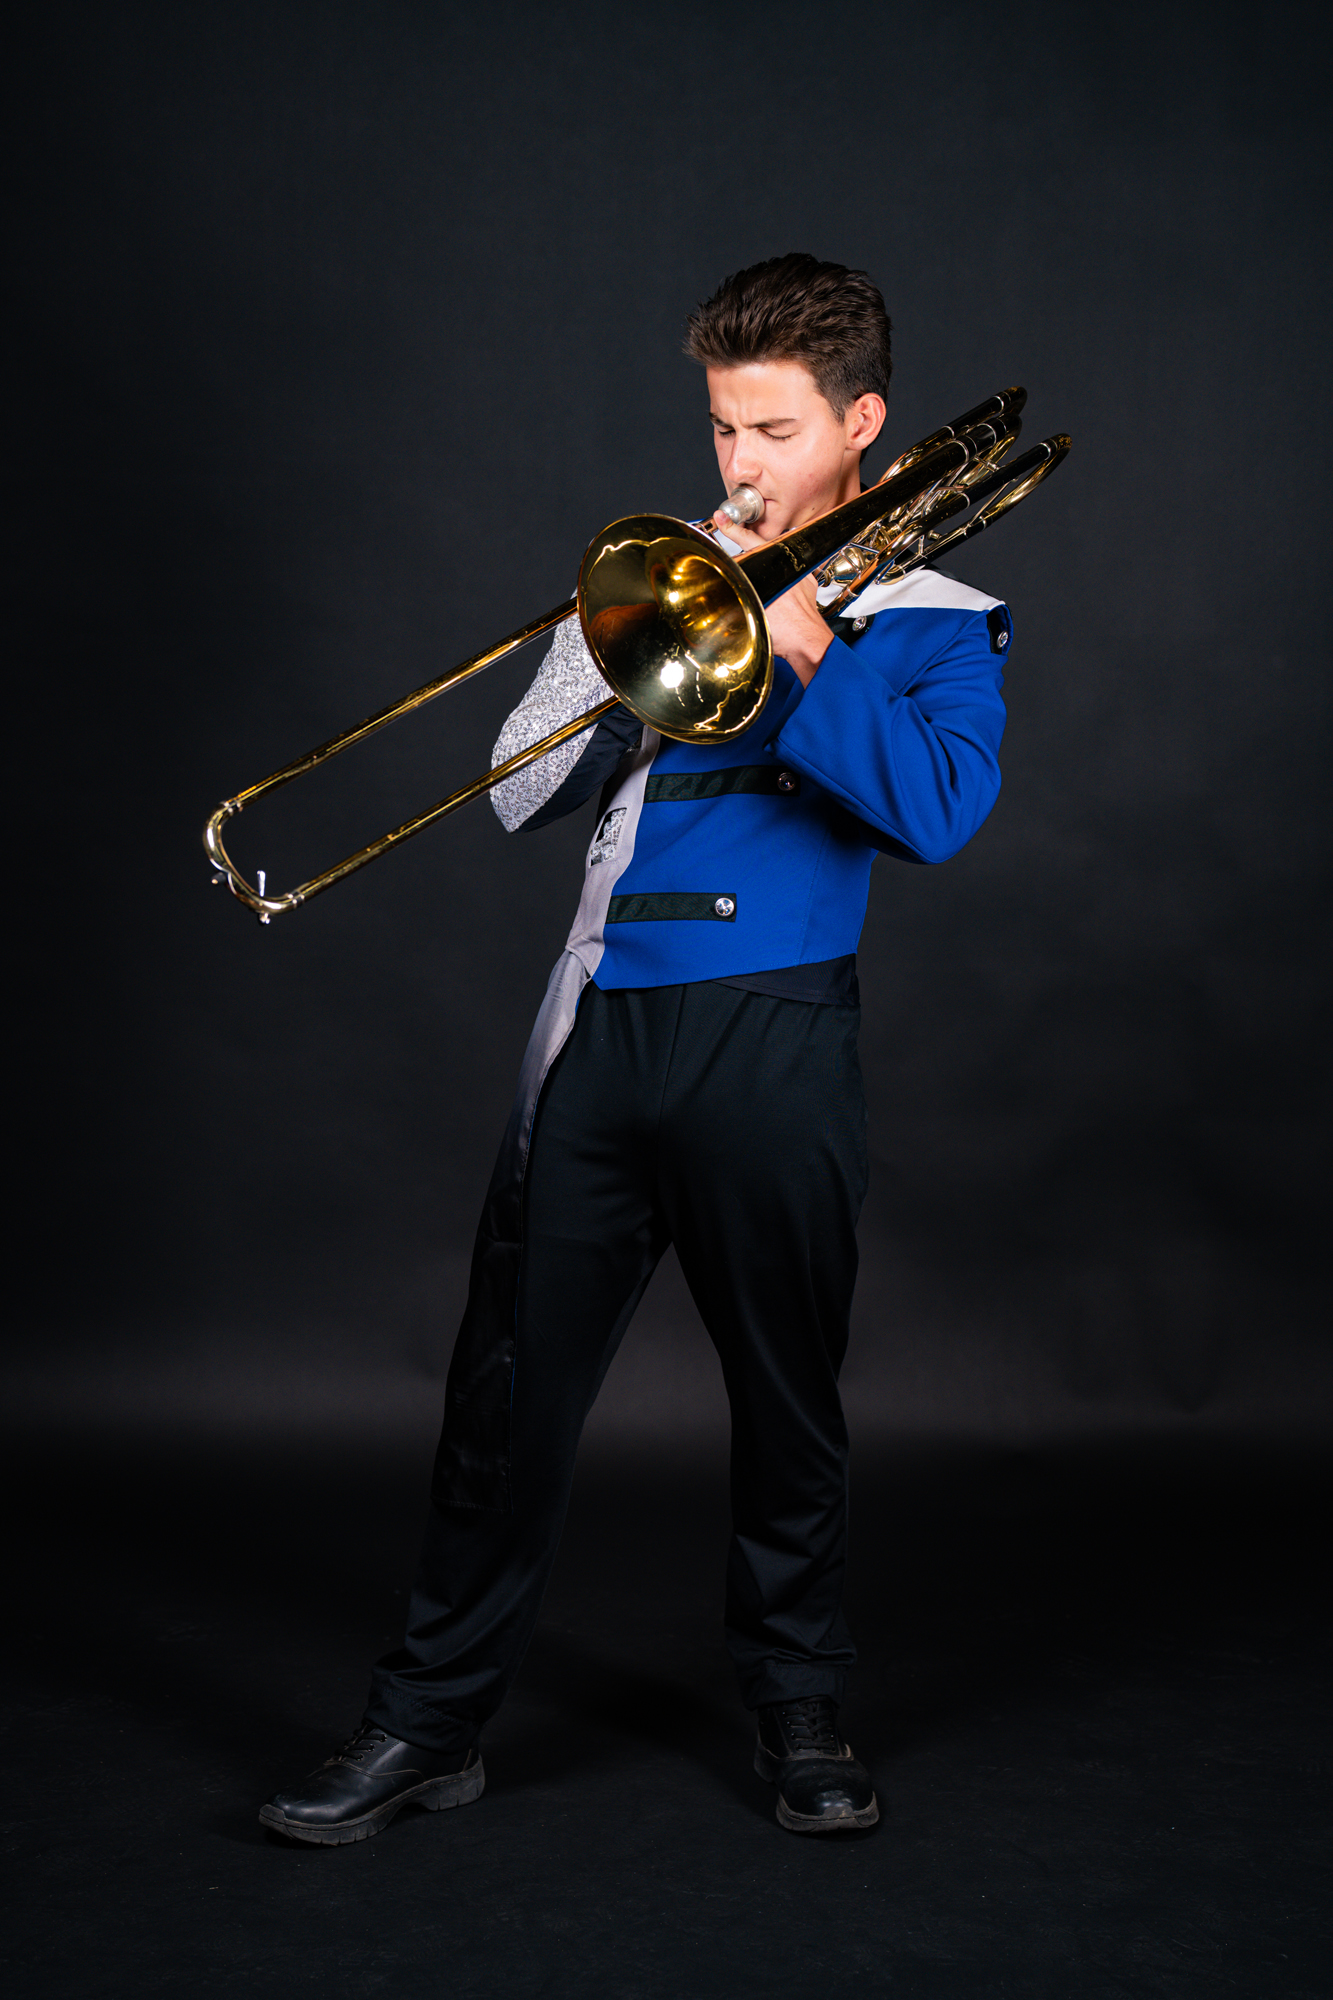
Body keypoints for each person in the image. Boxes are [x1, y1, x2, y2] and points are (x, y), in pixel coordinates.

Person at [260, 253, 1011, 1844]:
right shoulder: (661, 571)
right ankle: (426, 1724)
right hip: (602, 1028)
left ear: (860, 423)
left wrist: (805, 646)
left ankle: (798, 1707)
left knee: (786, 1401)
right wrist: (625, 648)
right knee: (503, 1394)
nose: (738, 463)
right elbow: (514, 796)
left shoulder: (940, 620)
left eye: (773, 430)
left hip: (777, 1032)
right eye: (724, 427)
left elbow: (939, 811)